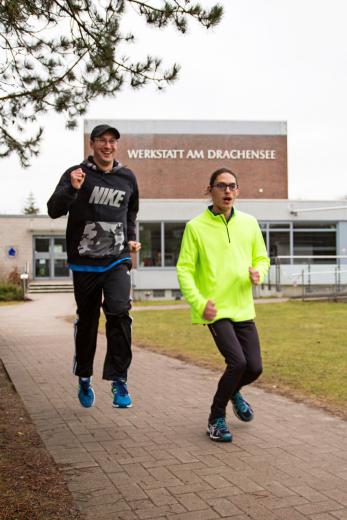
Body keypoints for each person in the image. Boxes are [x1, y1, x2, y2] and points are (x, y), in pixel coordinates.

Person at [47, 124, 141, 409]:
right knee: (88, 323)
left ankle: (119, 380)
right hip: (85, 264)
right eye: (102, 140)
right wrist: (72, 191)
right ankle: (84, 376)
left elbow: (131, 212)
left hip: (116, 260)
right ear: (92, 144)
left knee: (119, 312)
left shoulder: (127, 177)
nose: (108, 146)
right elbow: (53, 209)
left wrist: (132, 239)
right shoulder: (76, 174)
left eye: (113, 141)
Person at [176, 167, 270, 442]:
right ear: (210, 190)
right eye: (221, 186)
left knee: (254, 368)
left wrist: (259, 273)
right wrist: (199, 302)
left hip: (243, 307)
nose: (227, 191)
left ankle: (233, 392)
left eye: (232, 186)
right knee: (237, 362)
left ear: (237, 191)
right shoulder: (195, 227)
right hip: (214, 309)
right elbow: (184, 270)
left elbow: (262, 258)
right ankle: (216, 418)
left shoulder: (250, 223)